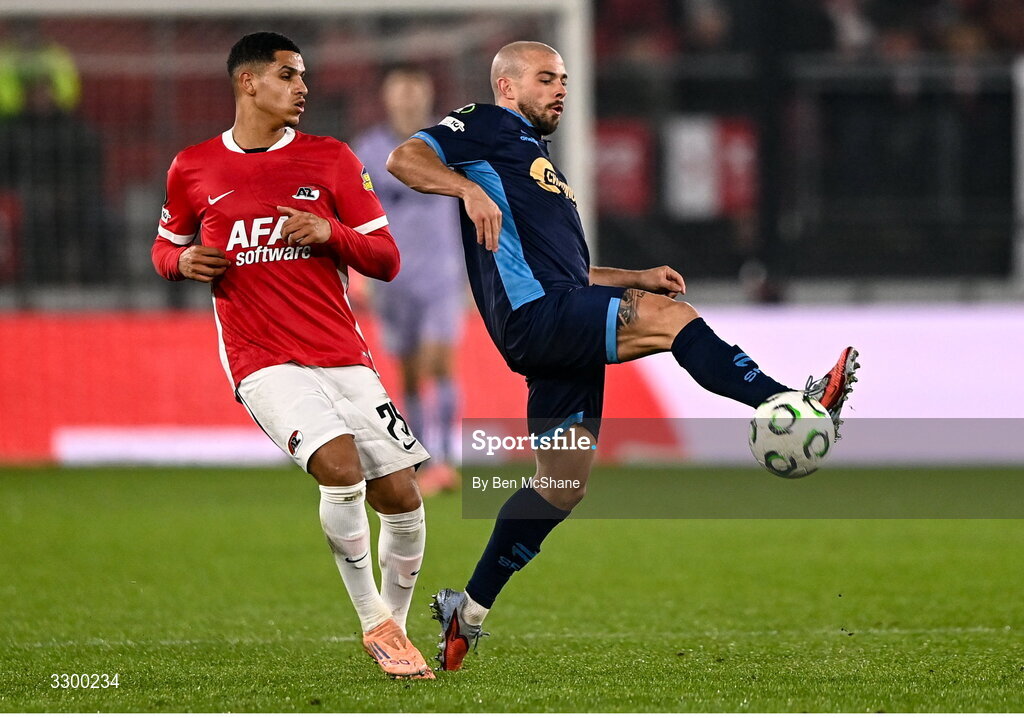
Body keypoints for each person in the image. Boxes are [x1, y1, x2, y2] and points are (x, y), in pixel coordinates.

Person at [387, 40, 860, 671]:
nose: (560, 89)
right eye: (546, 78)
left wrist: (634, 276)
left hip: (556, 323)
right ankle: (788, 400)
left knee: (561, 487)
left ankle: (467, 611)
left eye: (564, 79)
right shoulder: (486, 125)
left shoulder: (534, 161)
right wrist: (465, 190)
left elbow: (568, 272)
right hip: (539, 317)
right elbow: (404, 158)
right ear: (506, 86)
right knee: (673, 321)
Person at [151, 32, 435, 680]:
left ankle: (394, 629)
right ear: (248, 82)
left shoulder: (331, 159)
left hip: (341, 353)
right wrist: (181, 262)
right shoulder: (193, 167)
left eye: (303, 76)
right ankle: (374, 622)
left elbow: (386, 259)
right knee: (339, 466)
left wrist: (330, 232)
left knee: (401, 496)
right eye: (287, 75)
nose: (302, 87)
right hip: (261, 357)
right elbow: (164, 246)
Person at [353, 65, 465, 495]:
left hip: (441, 273)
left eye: (415, 91)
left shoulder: (448, 143)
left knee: (439, 362)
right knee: (411, 373)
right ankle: (424, 459)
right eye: (400, 91)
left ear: (428, 95)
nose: (408, 99)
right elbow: (354, 212)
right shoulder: (368, 150)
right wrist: (358, 272)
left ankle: (447, 460)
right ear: (387, 98)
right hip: (392, 277)